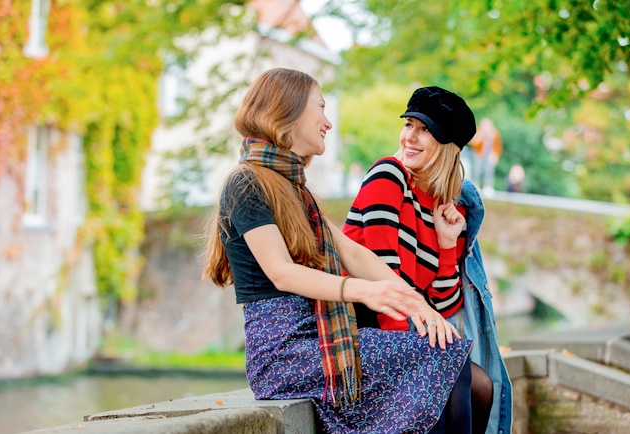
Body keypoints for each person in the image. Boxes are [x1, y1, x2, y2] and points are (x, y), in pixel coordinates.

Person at [202, 68, 475, 433]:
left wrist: (417, 305)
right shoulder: (247, 181)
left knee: (449, 365)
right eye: (321, 107)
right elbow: (281, 272)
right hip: (284, 352)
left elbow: (353, 254)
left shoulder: (296, 191)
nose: (328, 122)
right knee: (441, 364)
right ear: (290, 111)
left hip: (316, 336)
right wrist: (366, 291)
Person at [342, 86, 513, 434]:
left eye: (425, 130)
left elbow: (445, 303)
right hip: (360, 323)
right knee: (450, 373)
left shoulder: (449, 208)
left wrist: (447, 243)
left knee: (483, 386)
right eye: (408, 125)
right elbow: (383, 276)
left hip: (402, 326)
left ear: (448, 146)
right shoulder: (387, 176)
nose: (410, 137)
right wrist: (415, 357)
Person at [469, 117, 503, 196]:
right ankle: (475, 185)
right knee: (477, 170)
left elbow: (498, 145)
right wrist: (480, 135)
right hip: (478, 154)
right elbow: (473, 143)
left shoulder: (495, 133)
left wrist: (496, 155)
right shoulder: (478, 131)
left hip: (489, 155)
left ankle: (488, 186)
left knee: (489, 170)